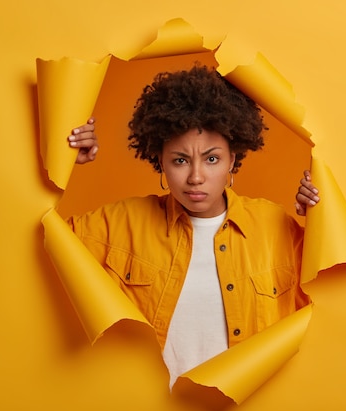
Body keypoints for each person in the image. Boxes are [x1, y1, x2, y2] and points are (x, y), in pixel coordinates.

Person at [65, 65, 320, 388]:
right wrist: (63, 165)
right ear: (160, 160)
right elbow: (35, 244)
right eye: (180, 160)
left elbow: (329, 306)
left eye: (211, 159)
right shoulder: (119, 224)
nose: (196, 177)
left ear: (233, 159)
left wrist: (320, 223)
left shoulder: (274, 227)